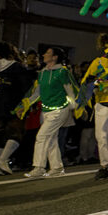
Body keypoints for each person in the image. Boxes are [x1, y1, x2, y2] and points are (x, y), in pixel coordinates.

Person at [22, 47, 77, 178]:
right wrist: (24, 105)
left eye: (47, 53)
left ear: (55, 57)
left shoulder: (62, 72)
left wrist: (75, 107)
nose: (43, 55)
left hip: (59, 110)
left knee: (42, 136)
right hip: (46, 110)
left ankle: (39, 167)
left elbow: (70, 91)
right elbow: (37, 93)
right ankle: (57, 168)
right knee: (51, 139)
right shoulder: (42, 73)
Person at [0, 42, 31, 175]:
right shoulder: (17, 67)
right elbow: (26, 87)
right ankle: (2, 160)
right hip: (12, 105)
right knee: (16, 133)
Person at [82, 33, 108, 180]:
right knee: (101, 136)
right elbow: (86, 83)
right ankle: (104, 166)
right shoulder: (98, 62)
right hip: (102, 104)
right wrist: (95, 83)